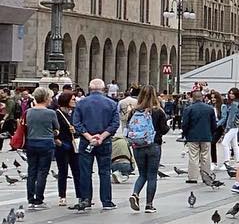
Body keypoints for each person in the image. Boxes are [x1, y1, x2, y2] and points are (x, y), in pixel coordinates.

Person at [72, 78, 121, 212]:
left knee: (85, 171)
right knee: (104, 171)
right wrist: (102, 136)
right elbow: (115, 123)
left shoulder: (81, 103)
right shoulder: (111, 103)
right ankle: (106, 201)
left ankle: (85, 199)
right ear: (104, 89)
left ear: (89, 89)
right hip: (104, 141)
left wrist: (88, 136)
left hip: (86, 142)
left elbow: (76, 123)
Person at [126, 87, 170, 211]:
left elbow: (128, 127)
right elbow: (163, 130)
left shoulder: (134, 111)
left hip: (138, 145)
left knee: (142, 174)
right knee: (152, 176)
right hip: (153, 145)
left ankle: (135, 193)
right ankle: (149, 204)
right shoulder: (158, 111)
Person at [22, 86, 60, 206]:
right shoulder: (51, 113)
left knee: (31, 170)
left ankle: (30, 198)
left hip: (31, 143)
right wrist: (53, 133)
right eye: (50, 97)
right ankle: (39, 199)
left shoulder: (28, 112)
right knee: (42, 172)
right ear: (45, 98)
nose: (51, 100)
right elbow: (57, 129)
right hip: (46, 143)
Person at [181, 89, 220, 186]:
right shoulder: (209, 109)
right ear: (202, 97)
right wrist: (211, 133)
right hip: (206, 136)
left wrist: (185, 134)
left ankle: (193, 177)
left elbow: (185, 124)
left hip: (192, 136)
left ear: (192, 98)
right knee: (206, 157)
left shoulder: (189, 109)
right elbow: (214, 125)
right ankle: (206, 176)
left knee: (193, 157)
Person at [218, 88, 239, 166]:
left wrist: (227, 128)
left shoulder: (234, 104)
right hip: (236, 125)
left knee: (224, 143)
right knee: (234, 144)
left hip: (232, 126)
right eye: (230, 93)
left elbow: (231, 117)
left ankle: (227, 161)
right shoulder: (237, 103)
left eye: (233, 93)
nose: (231, 95)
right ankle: (238, 161)